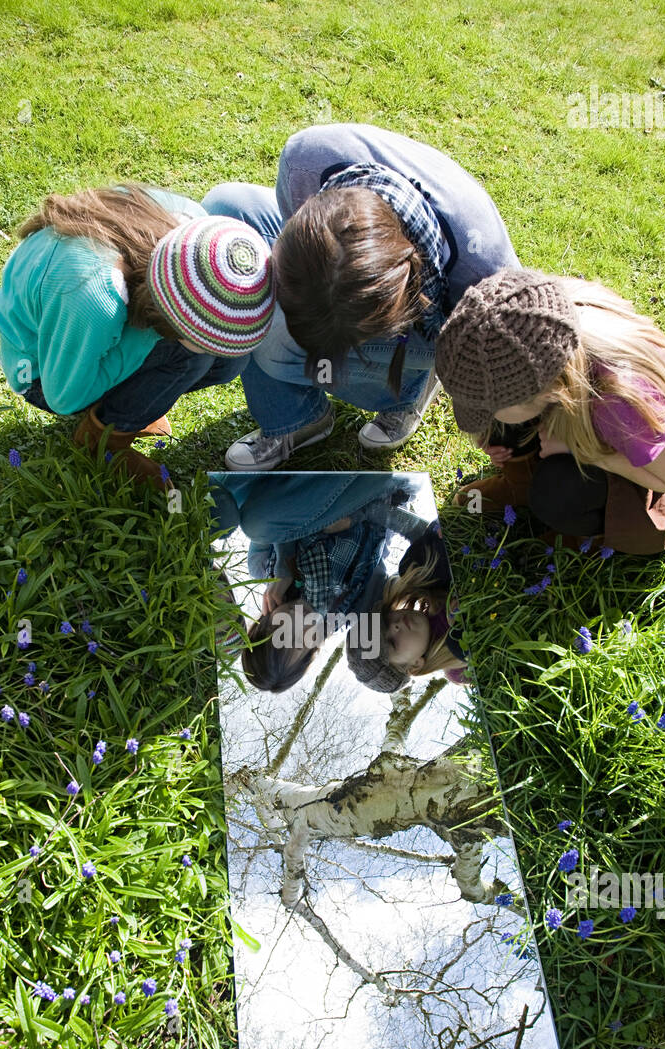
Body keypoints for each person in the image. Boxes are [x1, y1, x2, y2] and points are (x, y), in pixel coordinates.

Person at [202, 123, 519, 470]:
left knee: (271, 334)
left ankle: (409, 391)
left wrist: (495, 431)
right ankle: (297, 419)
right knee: (226, 211)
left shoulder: (486, 282)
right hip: (366, 274)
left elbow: (508, 371)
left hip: (437, 323)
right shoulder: (306, 162)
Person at [0, 186, 275, 487]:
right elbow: (64, 397)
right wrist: (148, 343)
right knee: (191, 360)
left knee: (227, 361)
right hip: (41, 367)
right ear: (165, 314)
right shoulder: (95, 300)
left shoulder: (197, 234)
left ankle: (127, 408)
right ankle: (101, 442)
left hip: (87, 327)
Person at [436, 269, 665, 553]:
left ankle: (591, 533)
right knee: (503, 420)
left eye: (486, 410)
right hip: (587, 412)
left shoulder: (618, 400)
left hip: (649, 472)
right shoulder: (537, 319)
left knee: (556, 492)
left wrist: (585, 453)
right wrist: (493, 433)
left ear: (552, 392)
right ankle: (519, 485)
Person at [214, 475, 430, 692]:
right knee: (255, 522)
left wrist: (283, 566)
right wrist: (359, 515)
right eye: (298, 640)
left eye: (278, 628)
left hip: (315, 485)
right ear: (312, 650)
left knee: (255, 522)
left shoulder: (262, 568)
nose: (293, 621)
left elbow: (272, 518)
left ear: (264, 620)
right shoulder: (357, 610)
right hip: (375, 492)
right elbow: (419, 544)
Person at [346, 523, 469, 692]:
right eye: (392, 642)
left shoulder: (419, 572)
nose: (395, 625)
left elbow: (447, 524)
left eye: (386, 621)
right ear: (415, 665)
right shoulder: (458, 666)